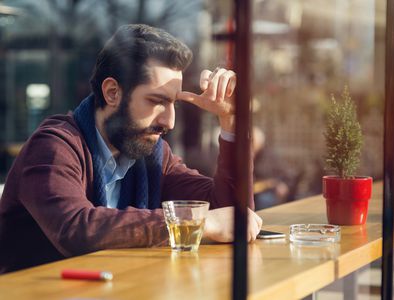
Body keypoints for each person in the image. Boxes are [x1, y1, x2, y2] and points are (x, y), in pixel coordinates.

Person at [0, 24, 262, 274]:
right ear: (113, 92)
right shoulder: (53, 145)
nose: (169, 121)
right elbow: (75, 229)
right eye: (157, 101)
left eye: (173, 104)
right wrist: (195, 222)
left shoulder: (153, 154)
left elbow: (230, 215)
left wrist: (233, 124)